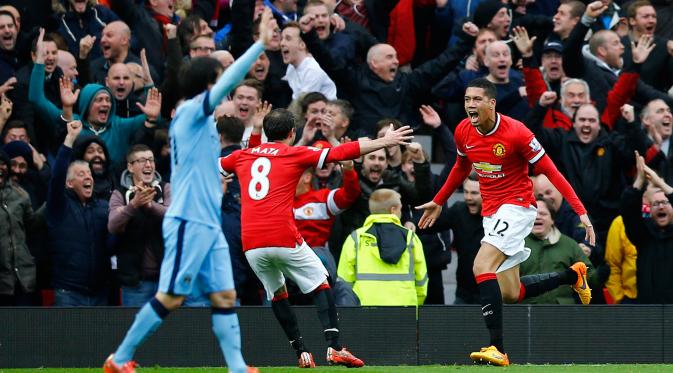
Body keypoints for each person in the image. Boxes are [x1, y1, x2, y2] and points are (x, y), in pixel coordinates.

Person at [103, 9, 279, 373]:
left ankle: (236, 366)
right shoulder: (190, 112)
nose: (225, 90)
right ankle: (119, 358)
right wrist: (259, 44)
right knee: (171, 296)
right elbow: (228, 79)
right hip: (187, 221)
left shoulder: (197, 119)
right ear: (208, 85)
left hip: (207, 222)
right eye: (218, 82)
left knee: (224, 296)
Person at [416, 78, 595, 366]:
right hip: (492, 213)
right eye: (466, 100)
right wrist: (439, 200)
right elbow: (462, 166)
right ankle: (573, 276)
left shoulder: (517, 132)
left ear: (491, 103)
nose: (470, 105)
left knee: (480, 266)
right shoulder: (464, 130)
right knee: (510, 293)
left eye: (476, 100)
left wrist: (580, 210)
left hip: (517, 207)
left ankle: (496, 347)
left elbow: (551, 171)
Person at [218, 108, 413, 368]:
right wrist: (383, 142)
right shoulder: (295, 153)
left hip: (251, 243)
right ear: (292, 133)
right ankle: (334, 348)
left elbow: (216, 166)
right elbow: (341, 152)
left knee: (277, 293)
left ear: (266, 131)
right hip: (282, 235)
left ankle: (301, 351)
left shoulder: (241, 155)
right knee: (321, 282)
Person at [337, 188, 427, 307]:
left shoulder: (356, 238)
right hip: (405, 310)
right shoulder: (411, 238)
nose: (402, 212)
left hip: (364, 309)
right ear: (393, 210)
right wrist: (415, 305)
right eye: (400, 208)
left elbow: (344, 282)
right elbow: (421, 281)